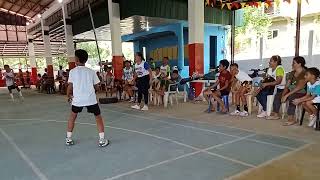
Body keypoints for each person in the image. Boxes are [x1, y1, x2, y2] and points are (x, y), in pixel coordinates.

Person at [65, 49, 109, 147]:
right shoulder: (91, 71)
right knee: (98, 118)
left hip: (77, 100)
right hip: (91, 100)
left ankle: (68, 138)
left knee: (72, 117)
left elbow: (70, 86)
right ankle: (102, 140)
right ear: (86, 60)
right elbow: (97, 87)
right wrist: (94, 91)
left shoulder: (72, 72)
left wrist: (68, 95)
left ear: (76, 59)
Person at [279, 57, 307, 125]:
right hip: (292, 91)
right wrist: (283, 95)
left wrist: (286, 95)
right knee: (278, 95)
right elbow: (287, 85)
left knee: (292, 97)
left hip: (302, 92)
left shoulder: (305, 73)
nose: (292, 64)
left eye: (294, 63)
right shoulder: (292, 73)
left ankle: (291, 118)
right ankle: (275, 114)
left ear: (299, 64)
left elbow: (299, 87)